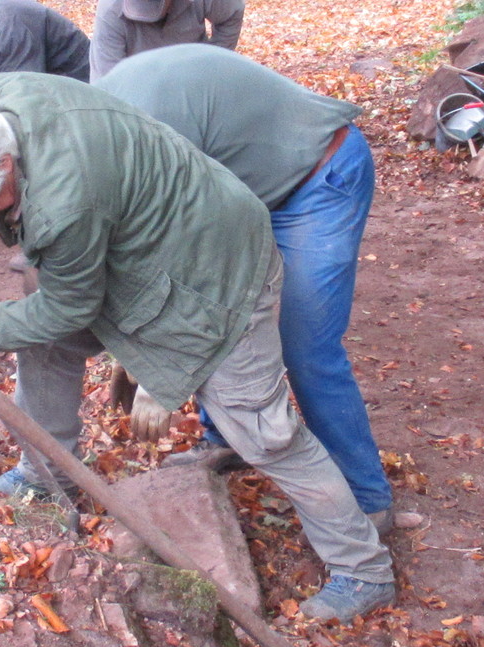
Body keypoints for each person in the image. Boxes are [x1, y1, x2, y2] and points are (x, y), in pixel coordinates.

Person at [0, 74, 396, 621]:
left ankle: (363, 569)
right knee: (41, 340)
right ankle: (46, 476)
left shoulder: (64, 203)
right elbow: (51, 302)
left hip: (217, 274)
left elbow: (67, 308)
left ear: (5, 164)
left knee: (263, 431)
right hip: (144, 253)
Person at [94, 44, 403, 532]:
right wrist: (132, 347)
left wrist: (159, 373)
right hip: (248, 188)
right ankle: (226, 438)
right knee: (231, 316)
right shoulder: (100, 131)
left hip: (317, 176)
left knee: (307, 348)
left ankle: (367, 499)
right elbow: (140, 247)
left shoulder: (149, 134)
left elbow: (195, 266)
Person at [89, 0, 245, 79]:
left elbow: (232, 13)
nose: (145, 15)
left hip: (191, 68)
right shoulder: (111, 5)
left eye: (152, 6)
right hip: (136, 73)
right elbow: (107, 77)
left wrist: (211, 64)